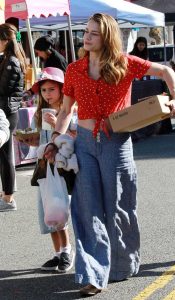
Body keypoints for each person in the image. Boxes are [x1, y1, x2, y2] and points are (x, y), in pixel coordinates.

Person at [45, 13, 175, 296]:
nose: (87, 37)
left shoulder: (125, 62)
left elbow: (166, 71)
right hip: (83, 143)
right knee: (87, 208)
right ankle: (93, 273)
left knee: (118, 206)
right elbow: (66, 111)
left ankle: (122, 263)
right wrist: (56, 139)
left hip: (116, 141)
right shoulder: (74, 69)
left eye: (94, 33)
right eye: (86, 32)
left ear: (106, 37)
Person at [22, 67, 75, 272]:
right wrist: (28, 139)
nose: (47, 94)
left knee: (59, 208)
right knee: (47, 211)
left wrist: (59, 126)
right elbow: (41, 139)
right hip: (44, 168)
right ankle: (56, 252)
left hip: (61, 168)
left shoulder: (69, 111)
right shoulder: (40, 113)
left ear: (62, 89)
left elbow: (74, 138)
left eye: (51, 89)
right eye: (43, 90)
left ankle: (67, 251)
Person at [0, 23, 27, 212]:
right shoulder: (8, 59)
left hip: (6, 113)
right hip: (6, 111)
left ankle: (8, 199)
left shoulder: (11, 62)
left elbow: (3, 89)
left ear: (5, 40)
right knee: (3, 156)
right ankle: (6, 196)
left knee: (5, 156)